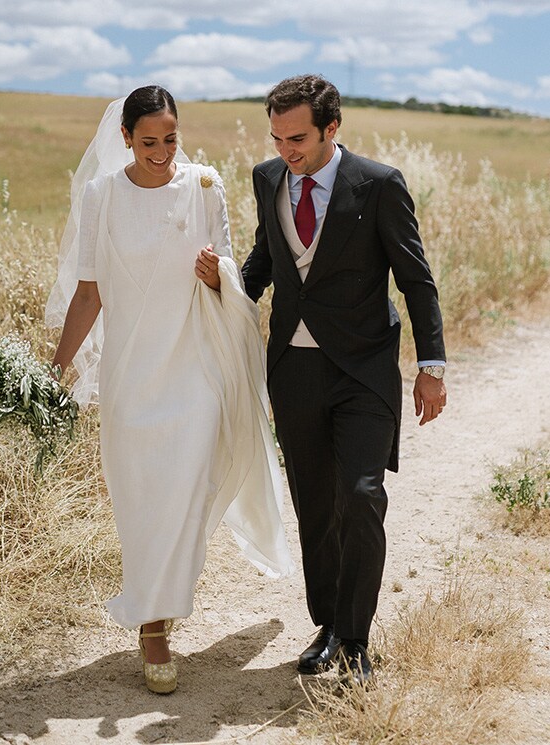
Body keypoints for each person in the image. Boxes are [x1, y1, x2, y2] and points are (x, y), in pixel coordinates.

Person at [46, 86, 294, 695]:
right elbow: (88, 293)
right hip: (130, 374)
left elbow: (234, 276)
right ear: (125, 138)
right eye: (149, 142)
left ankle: (156, 624)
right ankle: (152, 609)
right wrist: (55, 370)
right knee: (140, 500)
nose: (162, 153)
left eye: (171, 140)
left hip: (194, 366)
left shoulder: (205, 186)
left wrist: (218, 278)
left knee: (186, 486)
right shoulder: (102, 196)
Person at [241, 74, 447, 686]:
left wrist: (431, 366)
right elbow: (266, 261)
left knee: (361, 496)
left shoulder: (379, 185)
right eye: (277, 138)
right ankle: (327, 626)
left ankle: (356, 640)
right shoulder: (267, 179)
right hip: (294, 371)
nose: (286, 151)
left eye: (298, 138)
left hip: (363, 371)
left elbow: (416, 279)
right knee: (315, 505)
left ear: (333, 128)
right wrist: (220, 290)